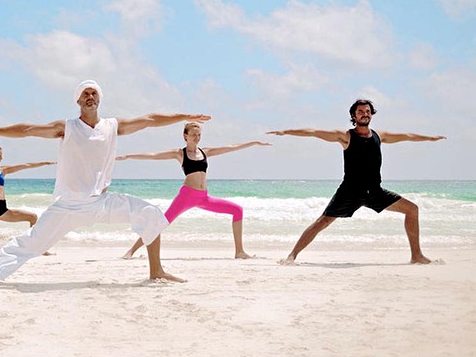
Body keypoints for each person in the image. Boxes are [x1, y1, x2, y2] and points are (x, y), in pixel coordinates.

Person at [0, 79, 211, 286]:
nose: (90, 96)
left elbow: (150, 119)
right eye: (85, 93)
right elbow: (28, 129)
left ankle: (156, 271)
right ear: (78, 101)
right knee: (31, 242)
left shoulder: (112, 126)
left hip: (101, 201)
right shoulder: (67, 127)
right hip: (68, 205)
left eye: (94, 93)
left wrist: (185, 116)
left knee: (151, 214)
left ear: (99, 99)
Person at [267, 99, 445, 264]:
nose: (364, 114)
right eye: (360, 111)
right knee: (322, 222)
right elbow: (313, 132)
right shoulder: (346, 136)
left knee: (412, 210)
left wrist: (429, 138)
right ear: (354, 116)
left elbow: (406, 136)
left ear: (371, 114)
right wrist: (286, 132)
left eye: (367, 111)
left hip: (375, 191)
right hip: (350, 192)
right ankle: (292, 256)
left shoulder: (379, 136)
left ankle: (417, 256)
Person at [117, 122, 270, 259]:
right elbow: (153, 155)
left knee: (237, 210)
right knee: (162, 222)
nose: (197, 137)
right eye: (193, 135)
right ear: (185, 136)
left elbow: (231, 147)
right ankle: (131, 251)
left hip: (204, 197)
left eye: (199, 135)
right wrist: (128, 156)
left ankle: (239, 252)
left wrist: (253, 142)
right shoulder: (179, 153)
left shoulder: (205, 152)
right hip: (186, 196)